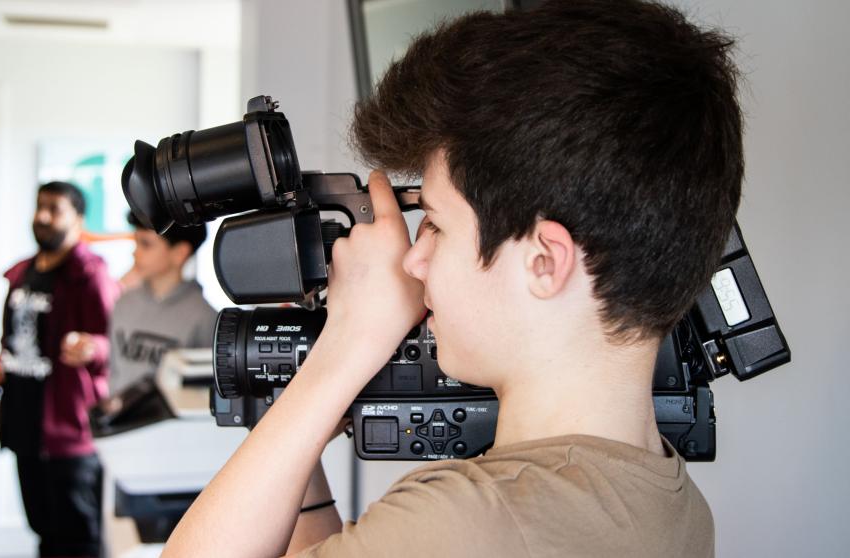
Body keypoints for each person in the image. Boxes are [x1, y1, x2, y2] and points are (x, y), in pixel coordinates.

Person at [160, 1, 743, 556]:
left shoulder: (471, 521)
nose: (415, 260)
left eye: (435, 224)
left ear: (545, 261)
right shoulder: (668, 495)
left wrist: (344, 350)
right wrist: (297, 429)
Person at [0, 181, 118, 557]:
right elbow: (17, 340)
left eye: (55, 209)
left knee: (79, 540)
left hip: (70, 433)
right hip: (24, 427)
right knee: (44, 532)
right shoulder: (23, 273)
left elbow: (114, 342)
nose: (43, 216)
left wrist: (92, 348)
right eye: (39, 207)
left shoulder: (91, 275)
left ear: (78, 220)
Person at [109, 213, 217, 394]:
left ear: (179, 252)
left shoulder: (205, 318)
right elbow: (113, 372)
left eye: (146, 244)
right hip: (119, 420)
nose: (135, 252)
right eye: (136, 242)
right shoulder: (124, 303)